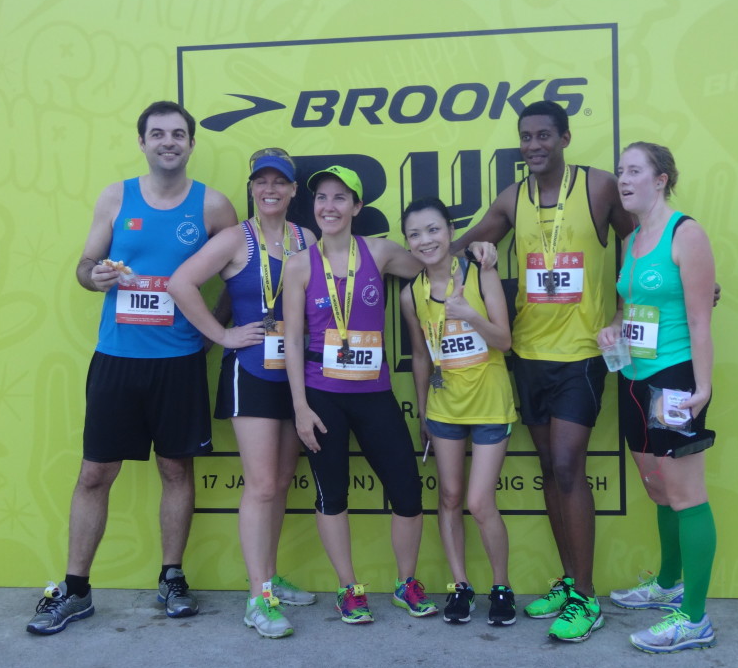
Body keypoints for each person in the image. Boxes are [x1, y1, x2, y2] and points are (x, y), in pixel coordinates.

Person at [26, 101, 238, 635]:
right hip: (118, 360)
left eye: (178, 134)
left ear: (192, 144)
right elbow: (84, 264)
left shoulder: (213, 206)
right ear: (142, 142)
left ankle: (171, 577)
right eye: (158, 134)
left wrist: (212, 333)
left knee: (175, 471)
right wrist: (91, 277)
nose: (169, 142)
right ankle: (76, 589)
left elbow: (239, 277)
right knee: (95, 473)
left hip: (179, 363)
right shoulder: (115, 197)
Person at [452, 100, 635, 643]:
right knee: (551, 473)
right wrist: (410, 254)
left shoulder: (599, 187)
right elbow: (462, 245)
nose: (533, 145)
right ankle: (570, 580)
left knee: (566, 466)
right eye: (525, 137)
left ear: (565, 137)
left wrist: (671, 283)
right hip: (527, 354)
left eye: (543, 136)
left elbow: (639, 239)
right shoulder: (512, 198)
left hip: (581, 353)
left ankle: (587, 597)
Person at [282, 166, 493, 624]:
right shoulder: (299, 264)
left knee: (407, 489)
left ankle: (405, 583)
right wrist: (299, 406)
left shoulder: (377, 253)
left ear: (358, 207)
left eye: (341, 198)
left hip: (375, 393)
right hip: (321, 395)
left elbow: (434, 262)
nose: (330, 207)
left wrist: (474, 251)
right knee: (332, 494)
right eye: (322, 198)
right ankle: (348, 588)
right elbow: (293, 341)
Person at [168, 148, 317, 639]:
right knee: (262, 485)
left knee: (283, 478)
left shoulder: (307, 239)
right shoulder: (236, 239)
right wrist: (223, 334)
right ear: (251, 188)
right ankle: (258, 598)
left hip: (294, 375)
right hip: (250, 372)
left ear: (295, 191)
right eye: (261, 182)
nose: (270, 189)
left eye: (280, 182)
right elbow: (180, 283)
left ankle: (269, 580)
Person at [597, 142, 717, 654]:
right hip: (633, 376)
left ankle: (694, 619)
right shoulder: (633, 239)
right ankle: (668, 584)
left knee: (687, 492)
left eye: (634, 171)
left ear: (661, 179)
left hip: (675, 378)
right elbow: (635, 307)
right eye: (620, 171)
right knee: (656, 487)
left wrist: (703, 387)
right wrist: (614, 331)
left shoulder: (684, 233)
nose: (623, 179)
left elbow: (698, 319)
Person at [399, 197, 517, 626]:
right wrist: (424, 413)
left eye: (433, 230)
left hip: (489, 402)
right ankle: (461, 587)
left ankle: (501, 587)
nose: (425, 240)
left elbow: (504, 341)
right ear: (407, 243)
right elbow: (420, 356)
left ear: (450, 231)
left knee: (479, 501)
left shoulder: (480, 269)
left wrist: (470, 314)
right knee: (448, 497)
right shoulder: (411, 294)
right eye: (414, 234)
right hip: (445, 407)